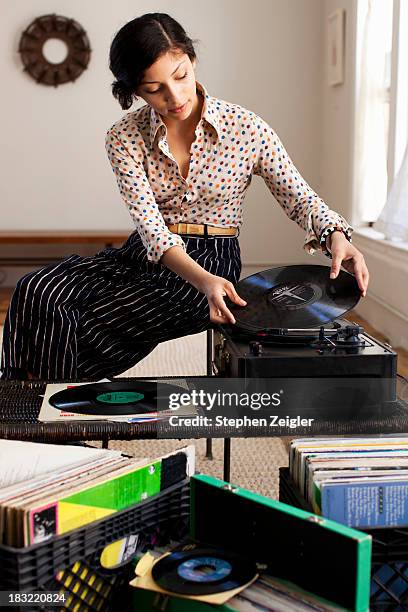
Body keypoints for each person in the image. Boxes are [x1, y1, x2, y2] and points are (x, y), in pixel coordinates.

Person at [0, 13, 369, 381]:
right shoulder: (123, 136)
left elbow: (300, 197)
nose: (174, 96)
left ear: (192, 59)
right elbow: (151, 229)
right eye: (153, 88)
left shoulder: (246, 128)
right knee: (37, 289)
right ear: (133, 90)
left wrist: (336, 236)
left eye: (180, 76)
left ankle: (52, 414)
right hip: (145, 255)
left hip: (212, 263)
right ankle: (22, 406)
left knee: (91, 326)